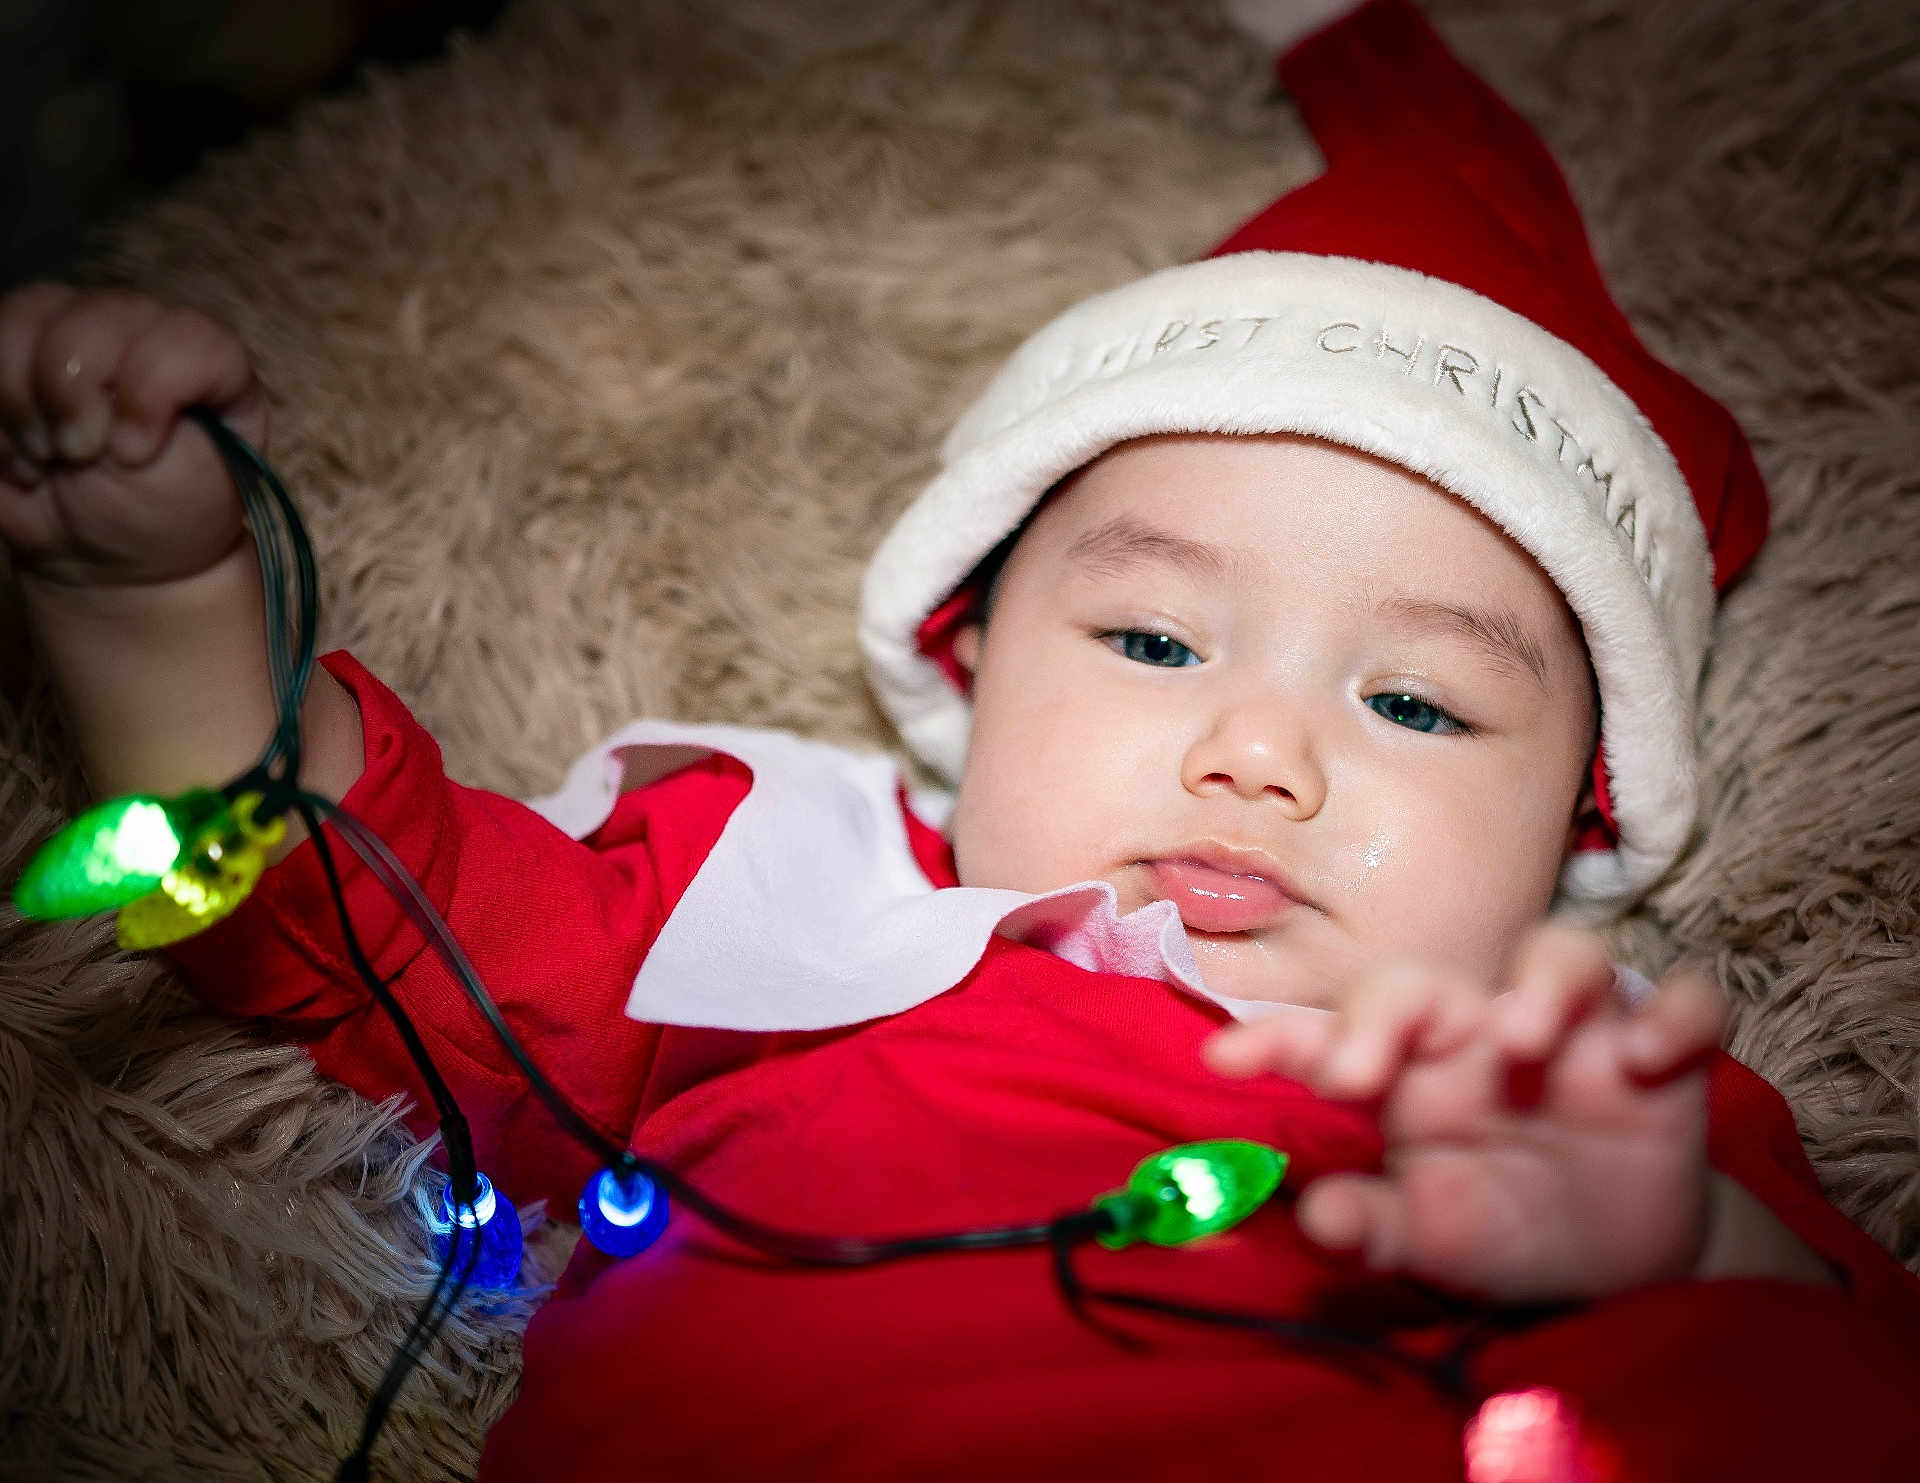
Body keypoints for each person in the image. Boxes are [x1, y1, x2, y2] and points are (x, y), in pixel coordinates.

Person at [5, 1, 1919, 1478]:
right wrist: (154, 606)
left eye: (1415, 702)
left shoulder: (1578, 1100)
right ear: (972, 659)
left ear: (1578, 829)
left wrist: (1679, 1268)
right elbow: (357, 911)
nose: (1258, 755)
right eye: (1156, 638)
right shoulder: (809, 904)